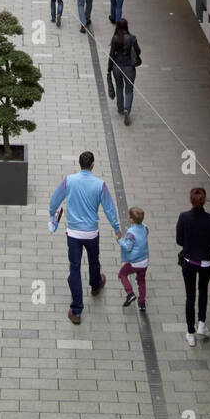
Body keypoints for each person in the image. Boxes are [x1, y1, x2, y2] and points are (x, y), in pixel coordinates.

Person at [48, 150, 121, 324]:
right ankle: (96, 285)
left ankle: (76, 309)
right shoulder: (100, 185)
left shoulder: (69, 181)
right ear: (93, 165)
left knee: (74, 268)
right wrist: (117, 229)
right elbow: (109, 208)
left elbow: (54, 200)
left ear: (79, 164)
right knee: (94, 260)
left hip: (73, 234)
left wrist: (53, 214)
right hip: (91, 233)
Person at [176, 185, 210, 346]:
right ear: (204, 201)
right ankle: (201, 323)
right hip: (206, 262)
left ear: (191, 200)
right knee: (203, 291)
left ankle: (190, 333)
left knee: (190, 296)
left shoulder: (184, 217)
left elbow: (179, 240)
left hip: (189, 261)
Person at [107, 17, 140, 123]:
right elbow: (138, 51)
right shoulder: (132, 38)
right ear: (126, 26)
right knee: (129, 90)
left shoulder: (115, 38)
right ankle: (127, 109)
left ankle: (120, 108)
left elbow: (111, 55)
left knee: (119, 87)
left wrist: (109, 69)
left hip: (117, 67)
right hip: (129, 68)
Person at [118, 205, 149, 310]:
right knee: (141, 280)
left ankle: (130, 293)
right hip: (144, 261)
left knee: (122, 274)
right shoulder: (145, 227)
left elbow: (127, 247)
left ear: (131, 220)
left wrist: (119, 240)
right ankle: (142, 303)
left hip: (134, 262)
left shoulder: (131, 233)